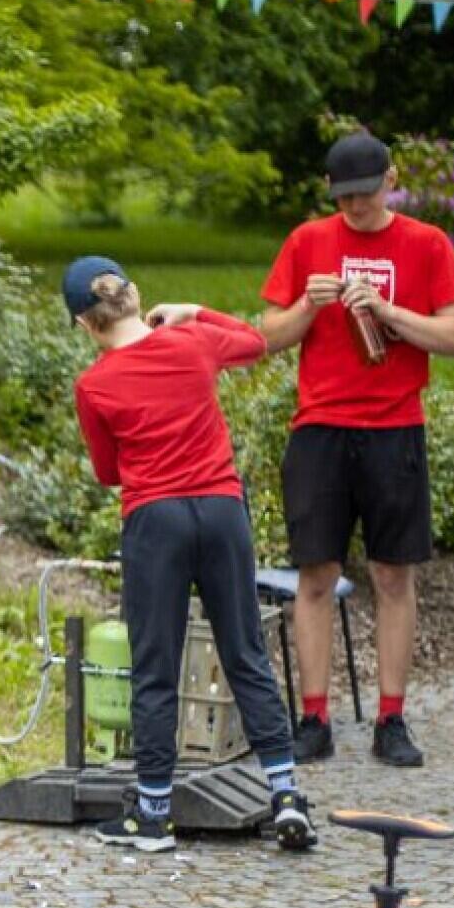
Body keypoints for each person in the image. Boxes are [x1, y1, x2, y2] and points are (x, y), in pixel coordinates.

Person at [64, 257, 315, 855]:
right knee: (245, 652)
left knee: (156, 662)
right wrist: (196, 311)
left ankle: (153, 814)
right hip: (223, 511)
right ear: (137, 295)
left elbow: (107, 471)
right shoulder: (193, 340)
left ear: (84, 324)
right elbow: (255, 343)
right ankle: (286, 795)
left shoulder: (93, 386)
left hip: (156, 520)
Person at [257, 130, 454, 769]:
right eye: (343, 197)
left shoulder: (425, 243)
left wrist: (387, 310)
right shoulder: (308, 241)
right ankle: (314, 717)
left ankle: (392, 717)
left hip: (394, 427)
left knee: (392, 573)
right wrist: (306, 306)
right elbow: (267, 336)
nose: (354, 208)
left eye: (365, 193)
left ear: (390, 179)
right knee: (316, 573)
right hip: (320, 427)